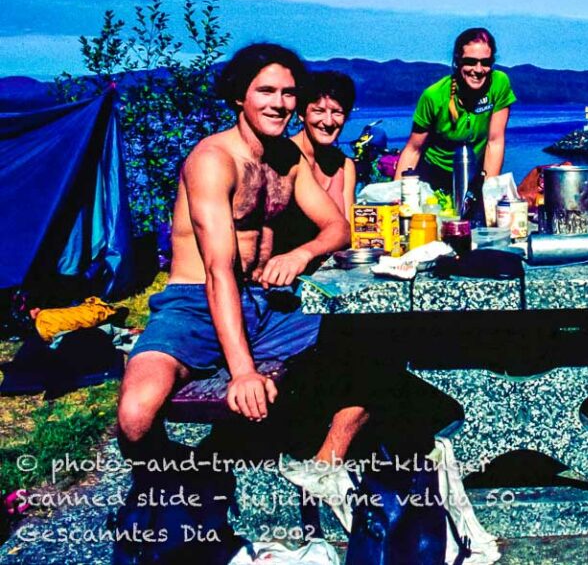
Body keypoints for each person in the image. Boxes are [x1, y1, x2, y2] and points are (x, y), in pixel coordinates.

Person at [116, 44, 366, 502]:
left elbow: (338, 227)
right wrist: (243, 372)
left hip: (263, 305)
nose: (280, 104)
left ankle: (323, 467)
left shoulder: (287, 160)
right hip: (193, 304)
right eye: (266, 91)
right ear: (239, 97)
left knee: (375, 343)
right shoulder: (213, 160)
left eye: (289, 93)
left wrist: (300, 254)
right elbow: (217, 271)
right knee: (135, 416)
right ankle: (176, 488)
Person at [393, 27, 516, 193]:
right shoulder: (434, 96)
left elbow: (495, 142)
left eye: (485, 62)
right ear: (458, 62)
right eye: (471, 61)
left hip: (473, 173)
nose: (478, 70)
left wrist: (489, 194)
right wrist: (397, 194)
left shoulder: (499, 83)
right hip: (433, 176)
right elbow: (414, 149)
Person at [272, 70, 358, 270]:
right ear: (302, 114)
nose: (328, 122)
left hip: (328, 272)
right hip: (282, 274)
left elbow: (349, 232)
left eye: (337, 112)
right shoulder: (282, 158)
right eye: (318, 111)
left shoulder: (344, 166)